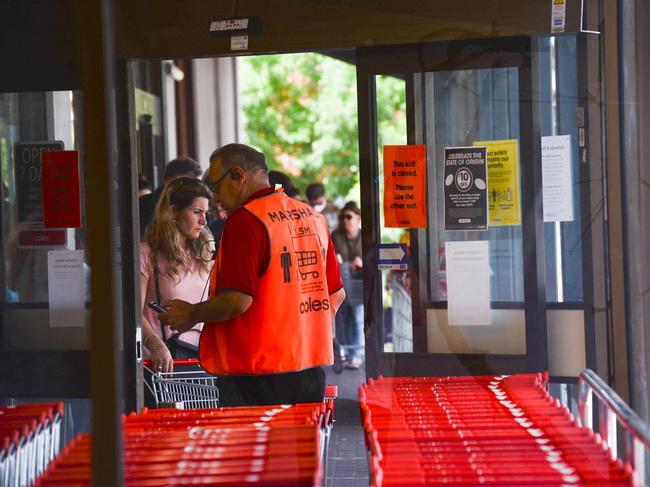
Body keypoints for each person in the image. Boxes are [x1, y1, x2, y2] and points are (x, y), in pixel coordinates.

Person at [158, 143, 346, 406]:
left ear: (237, 174)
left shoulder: (245, 220)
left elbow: (237, 301)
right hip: (309, 370)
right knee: (302, 446)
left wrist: (191, 314)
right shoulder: (313, 217)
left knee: (253, 447)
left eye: (216, 186)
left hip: (256, 375)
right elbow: (336, 295)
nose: (215, 198)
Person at [140, 176, 214, 373]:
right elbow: (134, 313)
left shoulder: (207, 251)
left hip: (202, 358)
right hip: (165, 362)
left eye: (205, 213)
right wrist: (156, 345)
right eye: (197, 212)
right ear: (173, 211)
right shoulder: (147, 254)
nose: (204, 221)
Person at [331, 201, 364, 369]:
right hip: (343, 283)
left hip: (358, 284)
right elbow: (336, 259)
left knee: (357, 319)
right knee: (343, 320)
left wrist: (358, 261)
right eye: (342, 217)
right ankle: (345, 353)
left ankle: (356, 354)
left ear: (358, 219)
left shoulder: (364, 236)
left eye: (349, 217)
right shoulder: (336, 236)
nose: (345, 220)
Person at [139, 157, 203, 237]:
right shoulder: (143, 206)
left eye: (198, 185)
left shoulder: (200, 208)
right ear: (170, 181)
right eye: (188, 184)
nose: (195, 190)